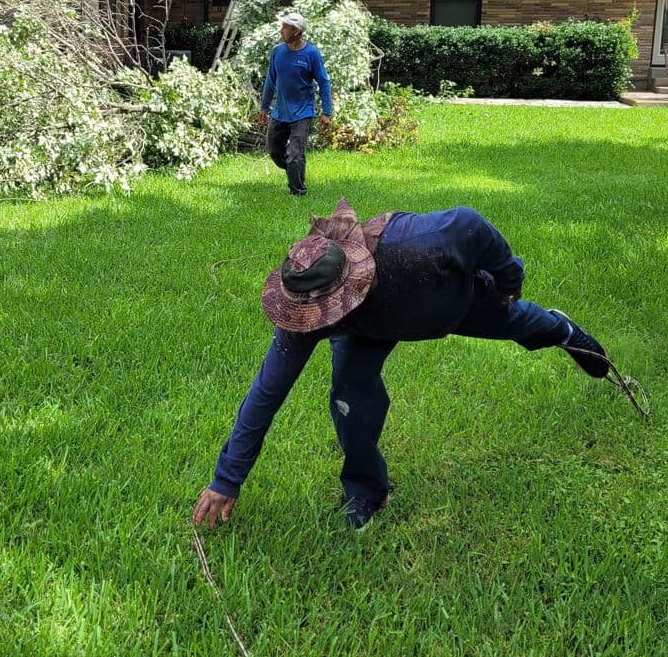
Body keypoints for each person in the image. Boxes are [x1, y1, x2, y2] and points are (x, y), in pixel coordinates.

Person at [193, 198, 611, 532]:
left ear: (350, 285)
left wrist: (509, 280)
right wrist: (227, 478)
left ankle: (566, 333)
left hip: (449, 300)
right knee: (350, 398)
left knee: (526, 323)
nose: (318, 324)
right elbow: (267, 393)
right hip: (370, 328)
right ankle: (367, 491)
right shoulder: (308, 312)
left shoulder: (416, 244)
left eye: (325, 314)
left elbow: (472, 224)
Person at [258, 12, 334, 196]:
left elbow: (323, 82)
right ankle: (295, 171)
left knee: (295, 154)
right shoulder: (278, 51)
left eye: (284, 27)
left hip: (302, 112)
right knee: (274, 150)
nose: (281, 30)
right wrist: (264, 107)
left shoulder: (311, 54)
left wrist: (327, 112)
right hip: (280, 111)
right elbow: (270, 81)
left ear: (296, 31)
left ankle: (298, 192)